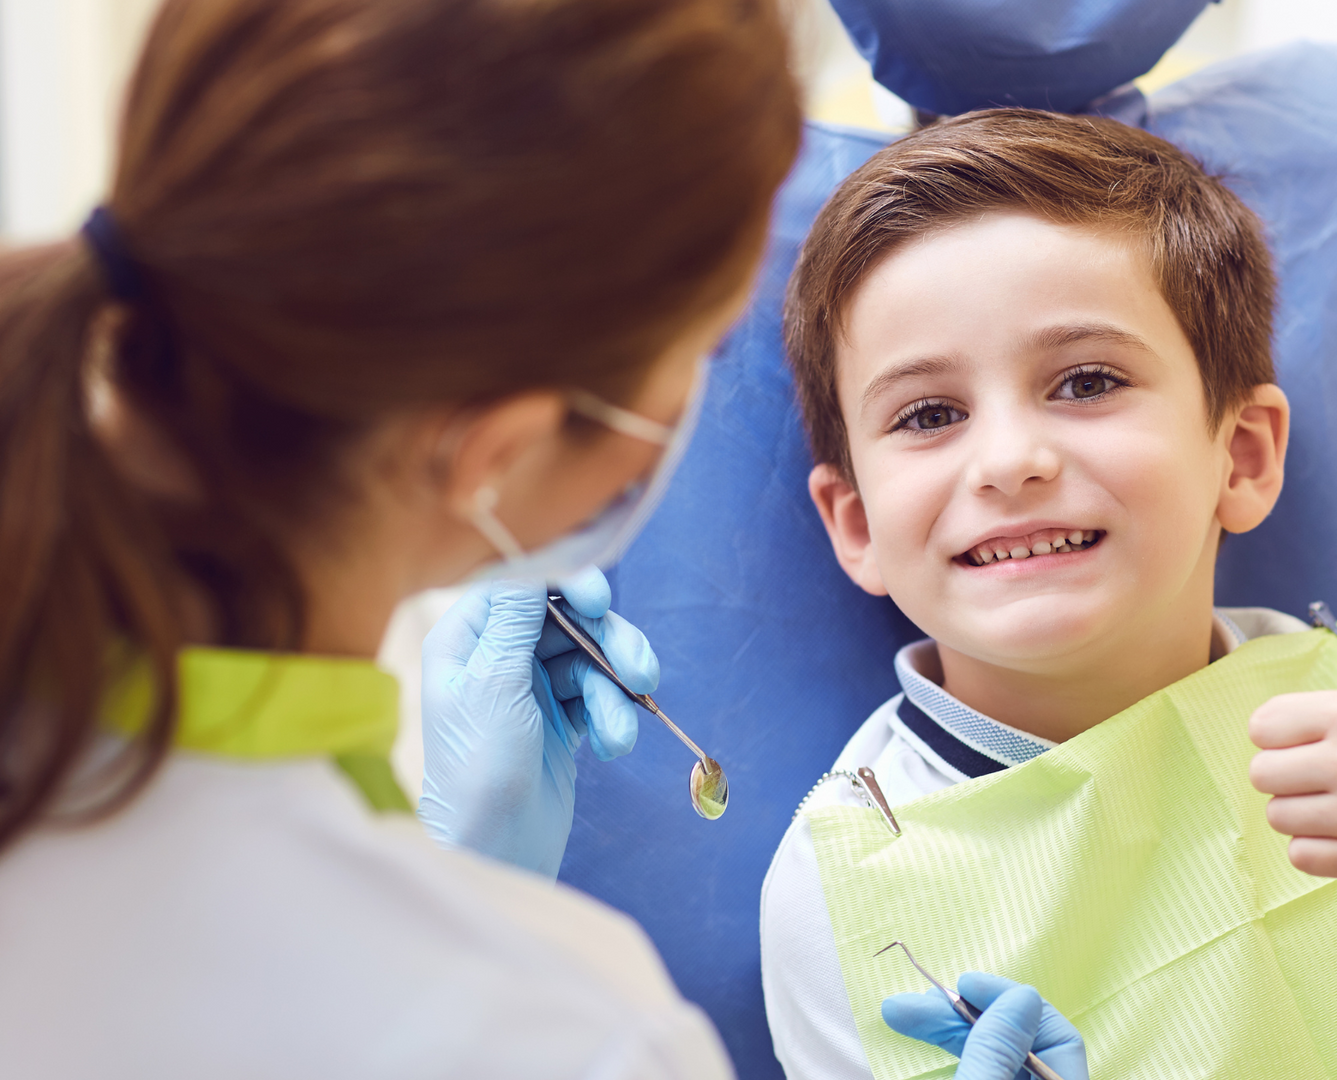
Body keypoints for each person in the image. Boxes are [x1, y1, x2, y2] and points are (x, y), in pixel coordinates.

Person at [0, 2, 1075, 1077]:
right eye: (705, 349)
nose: (1011, 462)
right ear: (494, 455)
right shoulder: (570, 1034)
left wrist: (446, 878)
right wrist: (461, 916)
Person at [762, 109, 1337, 1079]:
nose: (1009, 461)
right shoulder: (843, 894)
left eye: (1085, 382)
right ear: (858, 525)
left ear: (1240, 456)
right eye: (929, 413)